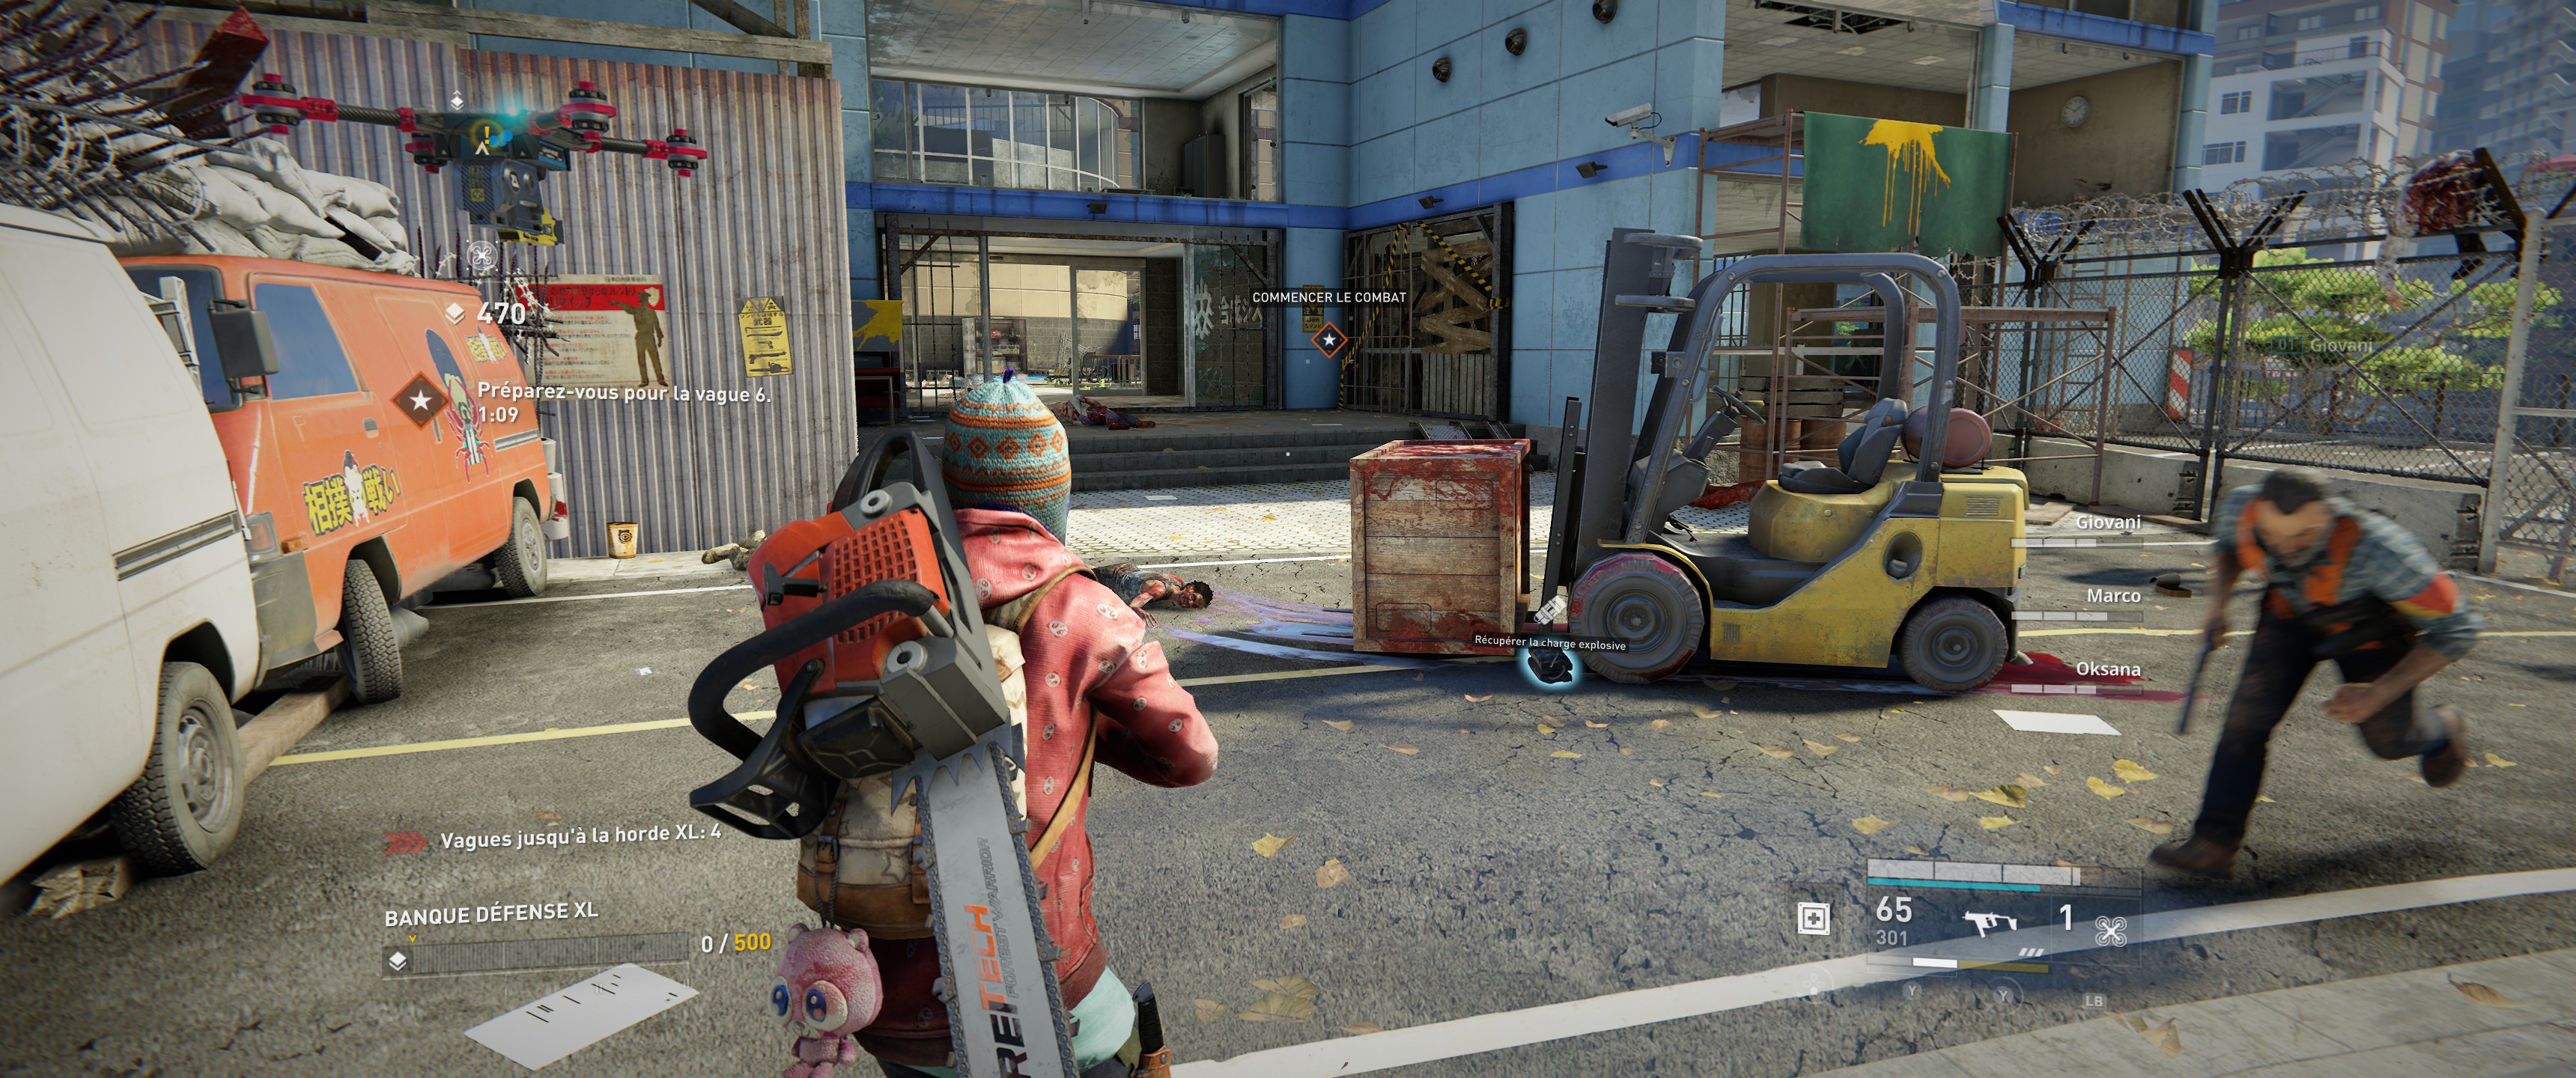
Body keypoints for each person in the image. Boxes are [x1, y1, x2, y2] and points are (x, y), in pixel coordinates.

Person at [856, 375, 1218, 1077]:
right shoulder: (1086, 610)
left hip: (882, 987)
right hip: (1042, 974)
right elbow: (1192, 755)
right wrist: (1086, 729)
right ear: (1053, 496)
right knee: (1122, 1049)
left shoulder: (872, 587)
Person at [2152, 467, 2480, 877]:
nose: (2288, 548)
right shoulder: (2242, 507)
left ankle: (2442, 729)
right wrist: (2218, 606)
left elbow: (2460, 627)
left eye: (2305, 536)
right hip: (2290, 613)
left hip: (2370, 630)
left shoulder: (2382, 550)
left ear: (2328, 515)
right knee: (2245, 722)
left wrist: (2378, 693)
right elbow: (2232, 549)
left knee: (2389, 741)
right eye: (2274, 537)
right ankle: (2214, 843)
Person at [1094, 563, 1213, 611]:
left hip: (1129, 569)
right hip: (1113, 577)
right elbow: (1136, 603)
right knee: (1085, 574)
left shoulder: (1179, 582)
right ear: (1190, 588)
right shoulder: (1161, 590)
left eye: (1193, 605)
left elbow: (1159, 576)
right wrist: (1137, 609)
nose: (1189, 602)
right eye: (1193, 597)